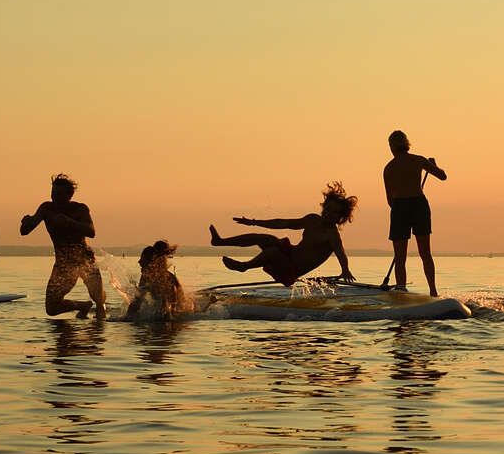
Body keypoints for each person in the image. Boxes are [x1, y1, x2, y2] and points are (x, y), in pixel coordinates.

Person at [210, 183, 358, 286]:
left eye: (334, 212)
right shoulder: (312, 220)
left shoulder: (331, 235)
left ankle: (244, 266)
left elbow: (340, 253)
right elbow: (284, 223)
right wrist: (254, 222)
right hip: (289, 255)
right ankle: (219, 241)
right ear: (324, 207)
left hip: (290, 270)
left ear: (340, 217)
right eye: (328, 209)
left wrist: (345, 270)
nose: (328, 213)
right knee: (265, 238)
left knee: (273, 252)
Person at [19, 174, 107, 318]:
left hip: (85, 260)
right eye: (53, 193)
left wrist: (69, 221)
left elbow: (91, 231)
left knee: (98, 301)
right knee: (52, 308)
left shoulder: (79, 209)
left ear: (69, 195)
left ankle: (98, 330)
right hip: (63, 265)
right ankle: (82, 306)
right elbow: (25, 231)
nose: (55, 197)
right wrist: (26, 222)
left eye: (59, 194)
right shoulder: (47, 209)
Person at [384, 131, 447, 295]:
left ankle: (401, 289)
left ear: (392, 147)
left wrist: (400, 209)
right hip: (418, 204)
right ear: (406, 144)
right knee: (425, 252)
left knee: (400, 255)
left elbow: (389, 200)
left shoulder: (389, 168)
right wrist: (434, 165)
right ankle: (433, 291)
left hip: (400, 207)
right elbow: (442, 175)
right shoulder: (418, 160)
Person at [124, 240, 190, 321]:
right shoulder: (146, 277)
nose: (139, 261)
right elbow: (137, 302)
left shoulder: (164, 279)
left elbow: (174, 310)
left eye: (142, 258)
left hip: (174, 320)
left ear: (150, 262)